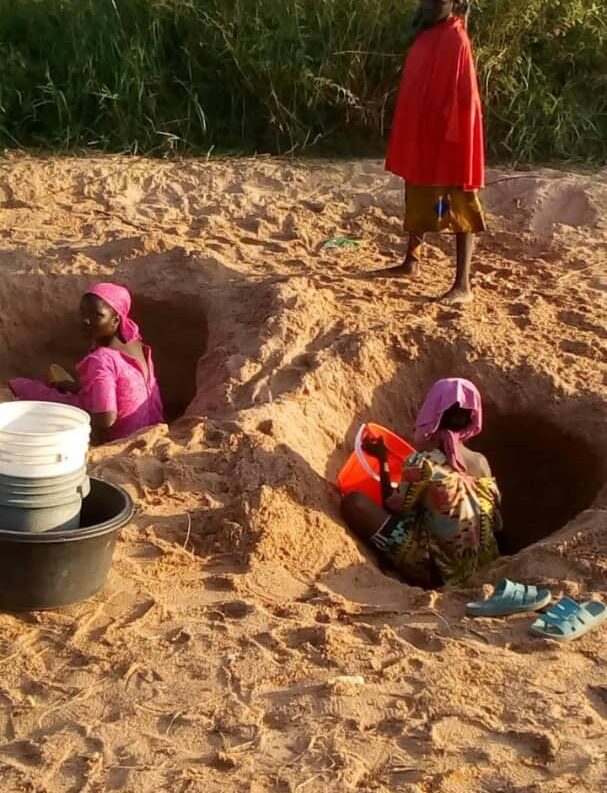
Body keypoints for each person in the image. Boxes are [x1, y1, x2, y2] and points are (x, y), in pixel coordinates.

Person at [341, 378, 501, 587]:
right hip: (486, 565)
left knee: (355, 503)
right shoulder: (481, 462)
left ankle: (398, 567)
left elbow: (393, 506)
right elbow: (496, 521)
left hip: (439, 572)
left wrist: (382, 460)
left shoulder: (423, 463)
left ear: (433, 413)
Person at [381, 0, 485, 305]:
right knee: (419, 193)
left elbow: (464, 99)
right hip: (426, 135)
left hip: (451, 140)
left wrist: (452, 141)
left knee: (458, 204)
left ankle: (463, 284)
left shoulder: (455, 38)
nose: (427, 5)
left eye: (435, 0)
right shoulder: (429, 33)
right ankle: (411, 260)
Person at [10, 283, 164, 444]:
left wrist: (69, 410)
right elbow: (124, 393)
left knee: (23, 387)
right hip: (149, 431)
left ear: (116, 320)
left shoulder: (103, 359)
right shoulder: (137, 345)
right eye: (83, 313)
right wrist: (76, 389)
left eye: (96, 315)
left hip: (119, 439)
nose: (86, 320)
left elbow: (105, 419)